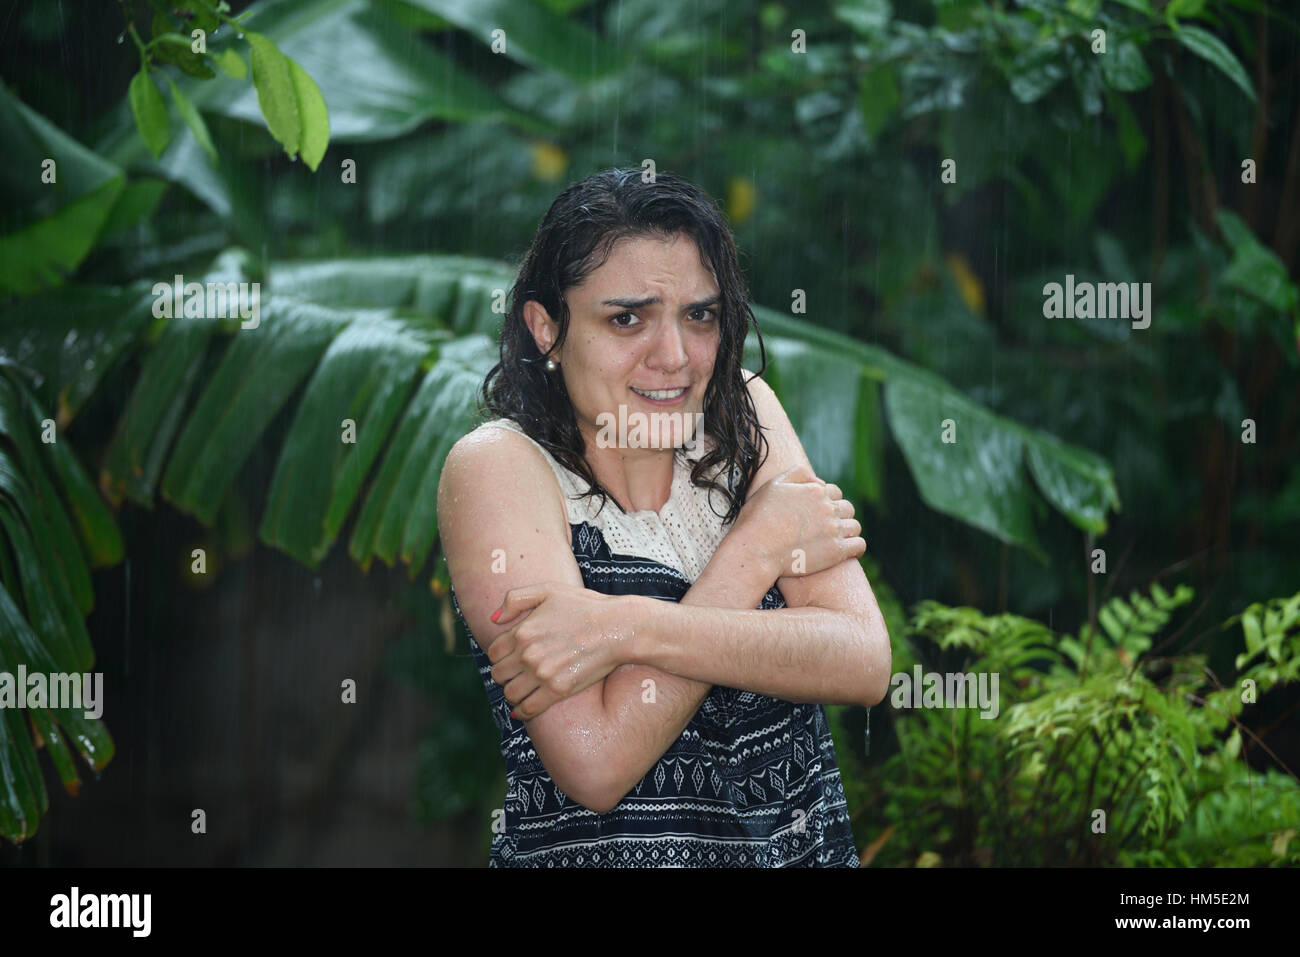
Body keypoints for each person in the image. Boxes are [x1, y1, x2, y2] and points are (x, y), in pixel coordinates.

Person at [436, 166, 891, 867]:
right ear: (546, 328)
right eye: (627, 318)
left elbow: (862, 659)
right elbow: (596, 762)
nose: (674, 357)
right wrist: (757, 547)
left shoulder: (744, 412)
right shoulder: (498, 468)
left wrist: (623, 627)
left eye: (699, 314)